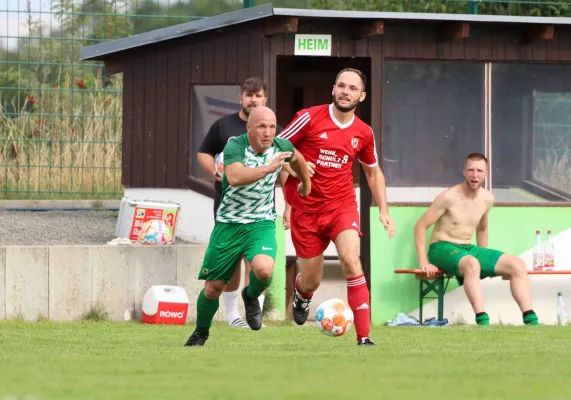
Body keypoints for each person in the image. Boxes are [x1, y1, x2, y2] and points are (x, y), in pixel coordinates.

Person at [277, 68, 395, 346]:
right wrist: (294, 169)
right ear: (333, 89)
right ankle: (302, 294)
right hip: (305, 209)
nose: (346, 91)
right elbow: (275, 149)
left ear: (361, 96)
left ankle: (364, 337)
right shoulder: (308, 117)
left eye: (352, 88)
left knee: (351, 261)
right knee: (312, 280)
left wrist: (384, 209)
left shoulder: (363, 133)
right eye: (341, 86)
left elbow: (373, 172)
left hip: (341, 206)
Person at [185, 106, 312, 346]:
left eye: (272, 127)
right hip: (229, 224)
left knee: (264, 270)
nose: (268, 132)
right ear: (249, 128)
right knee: (213, 288)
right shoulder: (235, 146)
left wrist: (305, 182)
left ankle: (251, 295)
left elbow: (298, 159)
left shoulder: (280, 145)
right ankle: (201, 332)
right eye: (262, 126)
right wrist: (268, 168)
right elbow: (234, 177)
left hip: (261, 223)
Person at [413, 152, 539, 326]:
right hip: (441, 248)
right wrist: (423, 262)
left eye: (479, 171)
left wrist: (484, 256)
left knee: (517, 264)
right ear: (464, 172)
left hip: (467, 249)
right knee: (472, 263)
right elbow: (420, 226)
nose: (475, 175)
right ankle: (482, 319)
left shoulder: (487, 198)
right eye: (471, 170)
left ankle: (531, 319)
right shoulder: (448, 197)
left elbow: (482, 228)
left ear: (486, 173)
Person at [197, 77, 282, 328]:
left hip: (261, 208)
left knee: (258, 261)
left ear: (265, 99)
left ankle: (254, 314)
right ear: (240, 98)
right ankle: (233, 315)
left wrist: (291, 203)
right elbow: (204, 152)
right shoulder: (223, 126)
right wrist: (214, 170)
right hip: (228, 205)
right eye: (249, 95)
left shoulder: (272, 129)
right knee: (231, 262)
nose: (253, 100)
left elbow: (285, 163)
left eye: (258, 95)